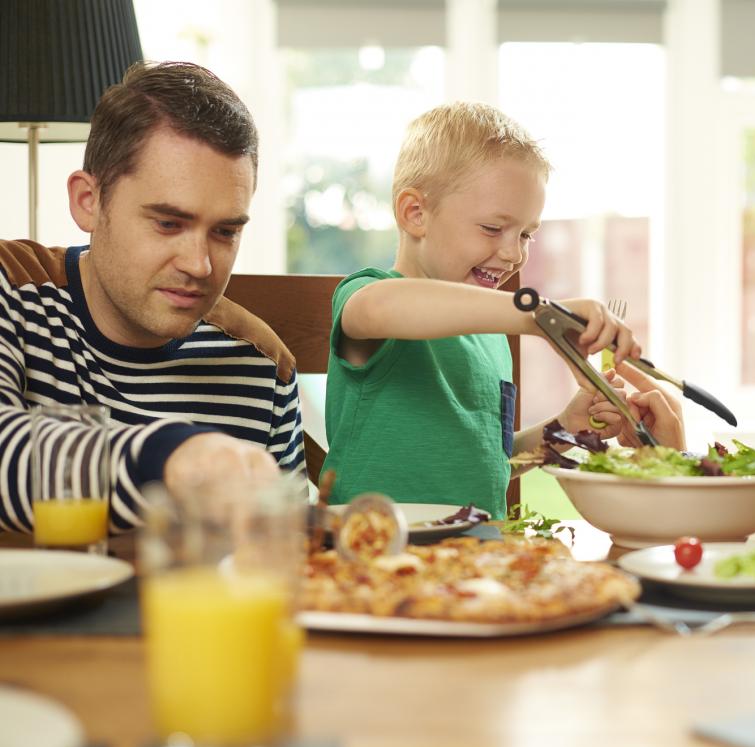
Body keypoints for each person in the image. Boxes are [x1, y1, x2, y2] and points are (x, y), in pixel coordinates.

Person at [0, 61, 304, 536]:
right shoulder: (12, 291)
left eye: (225, 232)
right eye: (168, 223)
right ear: (88, 201)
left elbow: (287, 554)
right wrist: (168, 455)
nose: (199, 265)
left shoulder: (262, 364)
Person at [322, 102, 638, 519]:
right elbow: (382, 309)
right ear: (415, 214)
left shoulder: (492, 338)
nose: (514, 254)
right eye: (493, 228)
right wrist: (539, 316)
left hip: (476, 559)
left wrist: (563, 431)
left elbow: (494, 468)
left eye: (527, 234)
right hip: (374, 558)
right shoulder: (370, 295)